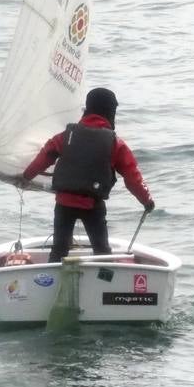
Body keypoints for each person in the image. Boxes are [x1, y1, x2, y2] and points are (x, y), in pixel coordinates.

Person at [21, 87, 155, 264]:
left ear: (88, 108)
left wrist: (26, 177)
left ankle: (49, 281)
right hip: (93, 207)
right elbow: (133, 178)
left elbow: (45, 155)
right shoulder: (115, 144)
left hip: (64, 204)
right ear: (110, 112)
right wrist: (147, 201)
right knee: (102, 251)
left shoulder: (65, 136)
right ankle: (104, 283)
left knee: (59, 249)